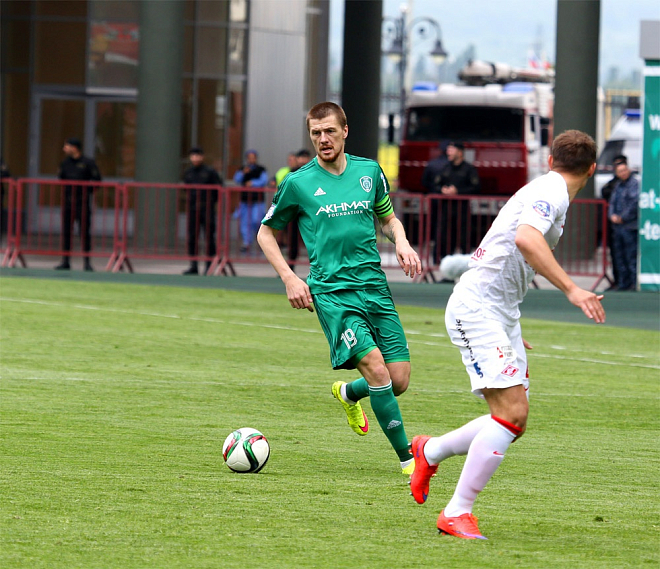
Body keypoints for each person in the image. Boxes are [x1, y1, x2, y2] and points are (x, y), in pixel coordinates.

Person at [409, 130, 606, 540]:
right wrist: (572, 289)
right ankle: (456, 512)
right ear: (592, 169)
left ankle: (431, 450)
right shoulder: (551, 190)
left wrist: (508, 324)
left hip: (498, 314)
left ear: (550, 159)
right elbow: (526, 239)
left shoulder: (549, 188)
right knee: (511, 415)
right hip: (477, 309)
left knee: (514, 417)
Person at [257, 102, 422, 474]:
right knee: (377, 370)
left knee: (398, 380)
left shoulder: (369, 171)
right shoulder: (297, 183)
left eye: (329, 131)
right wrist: (290, 277)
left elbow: (388, 219)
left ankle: (348, 393)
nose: (323, 139)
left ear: (345, 131)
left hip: (374, 287)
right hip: (333, 294)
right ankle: (409, 462)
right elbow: (265, 233)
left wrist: (402, 240)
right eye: (316, 133)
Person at [55, 138, 102, 271]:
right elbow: (61, 178)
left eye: (67, 146)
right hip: (68, 202)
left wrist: (87, 192)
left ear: (74, 148)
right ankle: (65, 261)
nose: (64, 149)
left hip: (82, 202)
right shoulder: (65, 163)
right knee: (66, 232)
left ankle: (87, 262)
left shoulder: (88, 163)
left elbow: (97, 180)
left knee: (84, 232)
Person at [436, 142, 480, 262]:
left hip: (462, 208)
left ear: (460, 152)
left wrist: (458, 192)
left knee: (464, 235)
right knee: (445, 235)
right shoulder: (445, 168)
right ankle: (444, 261)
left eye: (452, 150)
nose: (448, 152)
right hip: (446, 208)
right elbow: (435, 184)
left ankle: (466, 262)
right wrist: (442, 190)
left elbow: (475, 187)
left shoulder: (469, 169)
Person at [182, 147, 223, 275]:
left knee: (209, 236)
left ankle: (209, 265)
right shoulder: (188, 172)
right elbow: (186, 188)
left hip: (207, 208)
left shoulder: (210, 172)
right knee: (192, 236)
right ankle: (193, 265)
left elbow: (218, 188)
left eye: (197, 155)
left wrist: (210, 202)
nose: (195, 158)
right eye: (193, 156)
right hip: (193, 208)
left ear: (202, 156)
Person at [608, 160, 639, 291]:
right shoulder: (618, 186)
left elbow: (634, 203)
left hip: (630, 226)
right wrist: (612, 216)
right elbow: (612, 203)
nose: (623, 173)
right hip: (617, 227)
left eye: (624, 170)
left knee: (631, 256)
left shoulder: (634, 184)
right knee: (619, 256)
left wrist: (623, 217)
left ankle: (633, 283)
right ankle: (622, 283)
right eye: (620, 171)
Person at [600, 154, 628, 291]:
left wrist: (622, 216)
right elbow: (606, 194)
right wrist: (613, 216)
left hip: (627, 225)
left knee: (628, 255)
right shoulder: (614, 184)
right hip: (614, 226)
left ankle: (628, 282)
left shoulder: (631, 184)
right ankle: (619, 281)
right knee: (616, 255)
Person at [233, 149, 268, 252]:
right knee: (245, 222)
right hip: (245, 200)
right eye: (249, 158)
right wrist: (243, 173)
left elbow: (264, 180)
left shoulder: (261, 169)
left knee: (257, 220)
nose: (251, 160)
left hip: (257, 200)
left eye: (253, 157)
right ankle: (246, 243)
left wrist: (253, 183)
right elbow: (237, 179)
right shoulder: (243, 169)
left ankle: (261, 241)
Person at [422, 142, 449, 265]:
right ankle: (446, 257)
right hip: (449, 203)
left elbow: (424, 181)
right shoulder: (450, 165)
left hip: (434, 200)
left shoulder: (432, 164)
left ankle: (435, 258)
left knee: (435, 228)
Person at [285, 148, 312, 271]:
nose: (302, 160)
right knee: (293, 240)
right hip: (295, 211)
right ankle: (290, 266)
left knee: (315, 239)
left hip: (311, 211)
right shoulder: (292, 173)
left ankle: (319, 268)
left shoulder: (314, 171)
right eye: (301, 157)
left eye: (305, 157)